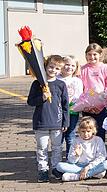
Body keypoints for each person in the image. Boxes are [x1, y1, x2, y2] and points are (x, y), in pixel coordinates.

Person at [28, 54, 69, 182]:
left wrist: (65, 121)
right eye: (51, 67)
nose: (53, 70)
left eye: (57, 69)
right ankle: (43, 170)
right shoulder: (37, 83)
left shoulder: (61, 84)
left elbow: (65, 105)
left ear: (60, 70)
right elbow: (30, 101)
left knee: (57, 148)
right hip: (41, 123)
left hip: (57, 123)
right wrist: (42, 98)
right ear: (45, 66)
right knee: (42, 148)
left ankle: (56, 168)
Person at [52, 117, 107, 185]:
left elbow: (101, 157)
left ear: (93, 130)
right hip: (78, 166)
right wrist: (77, 155)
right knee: (59, 166)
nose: (86, 134)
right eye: (83, 131)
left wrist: (88, 167)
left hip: (92, 165)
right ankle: (91, 174)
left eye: (88, 131)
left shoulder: (98, 140)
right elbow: (71, 161)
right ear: (79, 130)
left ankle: (79, 176)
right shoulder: (76, 141)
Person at [80, 43, 107, 140]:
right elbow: (80, 87)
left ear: (100, 54)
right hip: (86, 106)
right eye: (89, 54)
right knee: (87, 130)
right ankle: (88, 152)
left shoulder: (105, 68)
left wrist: (103, 101)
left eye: (95, 54)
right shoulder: (83, 69)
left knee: (100, 130)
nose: (92, 57)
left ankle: (100, 153)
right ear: (86, 55)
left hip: (101, 106)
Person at [59, 55, 83, 156]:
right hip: (58, 112)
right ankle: (57, 158)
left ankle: (70, 158)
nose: (69, 67)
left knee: (70, 135)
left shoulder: (77, 81)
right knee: (58, 136)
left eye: (73, 65)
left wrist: (75, 105)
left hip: (72, 111)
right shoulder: (57, 79)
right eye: (67, 64)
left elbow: (79, 95)